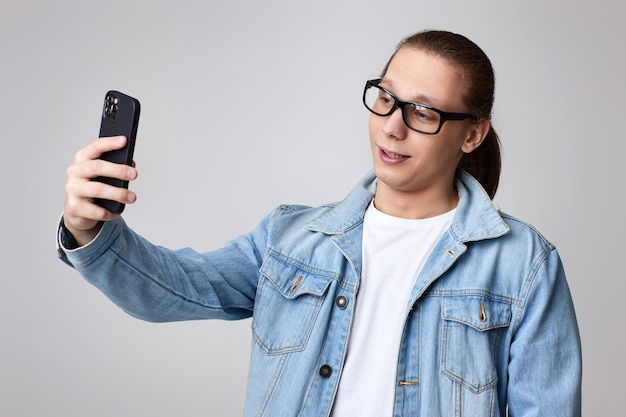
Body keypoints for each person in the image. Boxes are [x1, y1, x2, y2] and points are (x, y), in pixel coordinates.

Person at [57, 30, 582, 416]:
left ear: (472, 134)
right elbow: (169, 290)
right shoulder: (292, 240)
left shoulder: (523, 266)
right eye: (386, 98)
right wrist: (90, 228)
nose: (392, 128)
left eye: (423, 112)